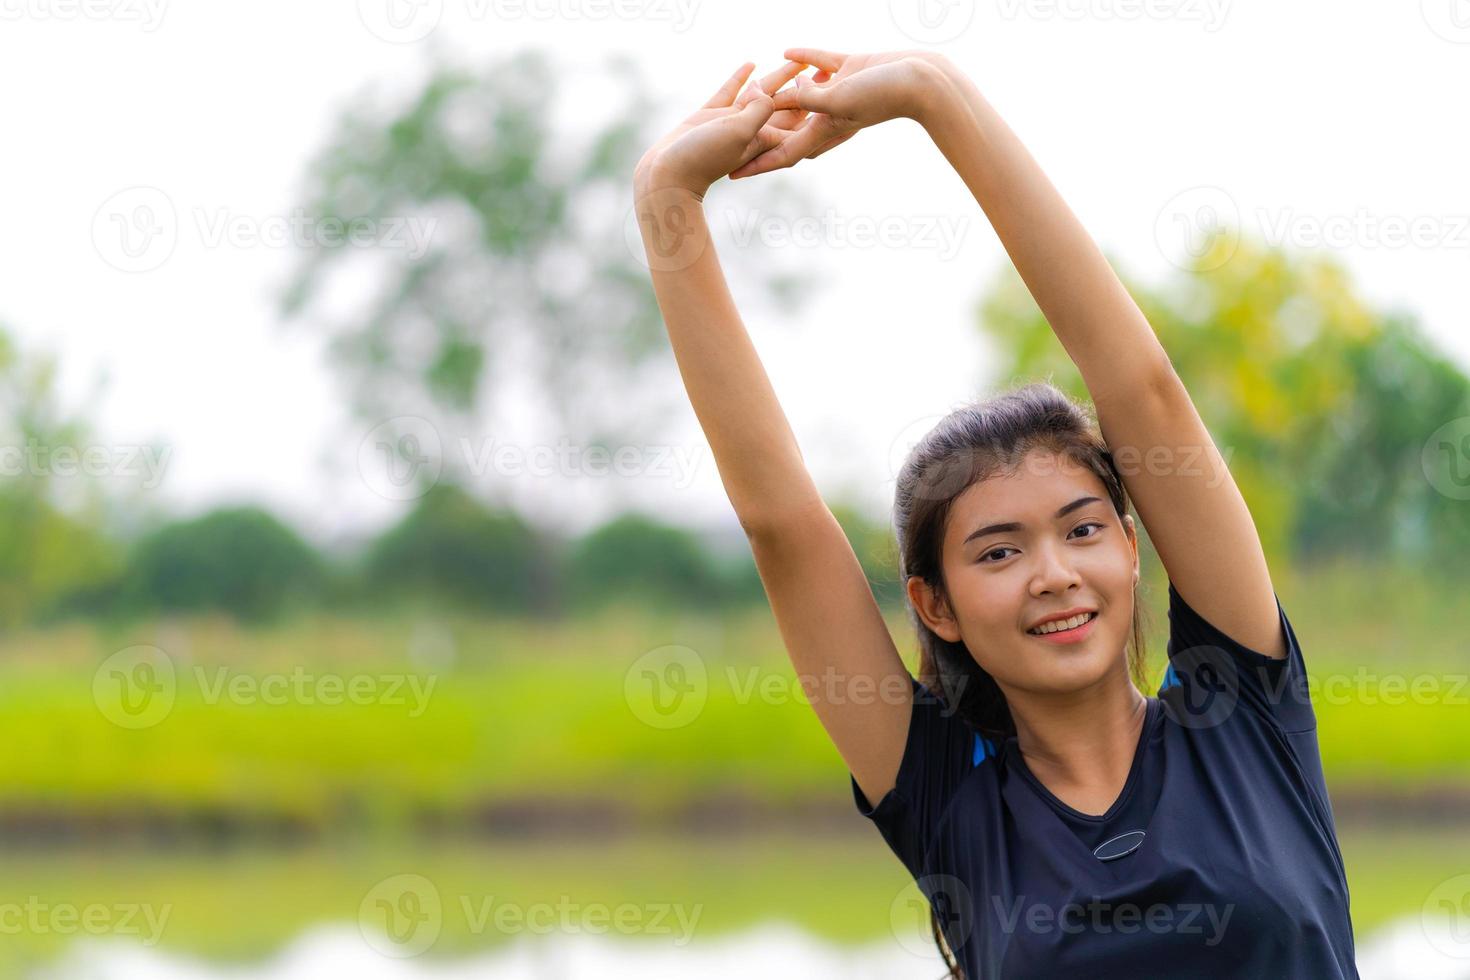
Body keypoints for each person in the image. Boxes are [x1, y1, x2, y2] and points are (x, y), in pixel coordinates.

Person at [631, 50, 1357, 978]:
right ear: (935, 605)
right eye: (999, 551)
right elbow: (782, 524)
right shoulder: (951, 799)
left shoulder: (1243, 714)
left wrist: (935, 95)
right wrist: (667, 196)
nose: (1054, 571)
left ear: (1133, 548)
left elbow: (1145, 392)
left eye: (1083, 528)